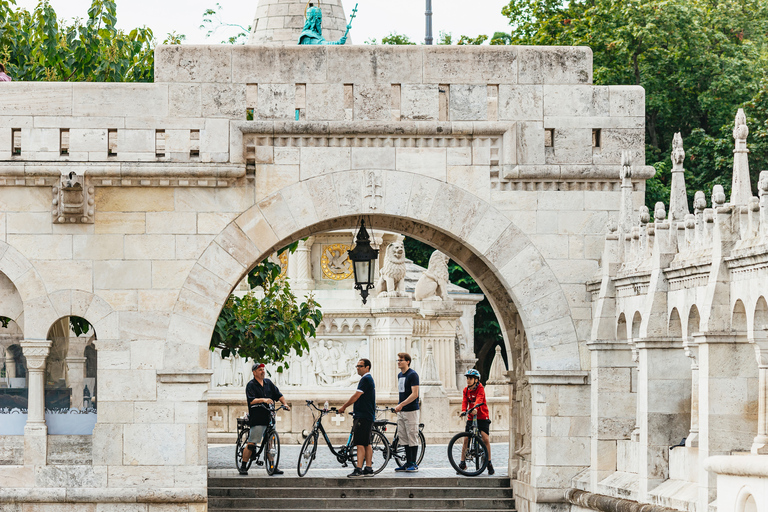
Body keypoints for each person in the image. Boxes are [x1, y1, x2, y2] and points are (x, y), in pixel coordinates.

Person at [239, 362, 290, 475]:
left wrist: (285, 403)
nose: (263, 371)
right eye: (260, 370)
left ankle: (272, 466)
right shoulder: (251, 385)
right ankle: (243, 465)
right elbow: (251, 400)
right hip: (258, 417)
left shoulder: (268, 383)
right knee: (252, 443)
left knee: (270, 444)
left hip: (269, 417)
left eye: (263, 369)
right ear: (254, 372)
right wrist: (263, 400)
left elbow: (278, 394)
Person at [339, 358, 375, 478]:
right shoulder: (368, 379)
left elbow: (356, 395)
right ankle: (368, 468)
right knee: (366, 443)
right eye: (357, 366)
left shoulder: (365, 379)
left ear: (367, 367)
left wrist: (344, 406)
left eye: (360, 366)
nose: (357, 368)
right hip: (366, 414)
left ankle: (358, 469)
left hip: (363, 416)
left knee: (360, 443)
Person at [458, 369, 494, 475]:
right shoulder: (466, 390)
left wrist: (476, 408)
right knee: (466, 439)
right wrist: (463, 410)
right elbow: (464, 401)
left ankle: (489, 462)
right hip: (471, 416)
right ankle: (462, 463)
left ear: (476, 380)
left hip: (482, 415)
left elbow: (480, 399)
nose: (468, 381)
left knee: (485, 438)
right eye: (467, 378)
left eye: (470, 378)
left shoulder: (480, 388)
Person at [394, 352, 420, 472]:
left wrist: (402, 404)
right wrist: (399, 406)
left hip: (411, 410)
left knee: (412, 435)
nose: (398, 362)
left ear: (408, 362)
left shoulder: (413, 375)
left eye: (401, 360)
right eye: (398, 360)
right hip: (401, 410)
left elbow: (415, 394)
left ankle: (413, 463)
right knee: (403, 436)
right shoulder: (400, 375)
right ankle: (407, 462)